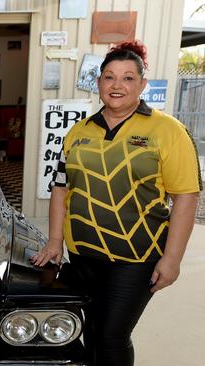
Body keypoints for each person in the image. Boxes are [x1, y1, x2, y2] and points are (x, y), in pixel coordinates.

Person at [31, 40, 201, 366]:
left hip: (136, 258)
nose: (117, 85)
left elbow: (186, 197)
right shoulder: (79, 132)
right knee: (90, 329)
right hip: (82, 254)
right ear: (99, 83)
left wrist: (172, 259)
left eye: (127, 77)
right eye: (109, 77)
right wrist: (55, 241)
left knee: (112, 336)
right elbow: (61, 189)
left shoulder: (167, 130)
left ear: (142, 84)